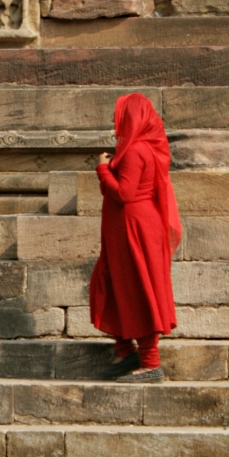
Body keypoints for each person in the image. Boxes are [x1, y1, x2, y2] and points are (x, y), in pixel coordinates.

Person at [90, 93, 182, 382]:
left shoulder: (134, 151)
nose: (113, 122)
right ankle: (125, 350)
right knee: (118, 285)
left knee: (140, 289)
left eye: (118, 116)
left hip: (135, 230)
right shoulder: (138, 149)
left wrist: (103, 169)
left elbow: (125, 193)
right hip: (128, 230)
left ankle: (150, 364)